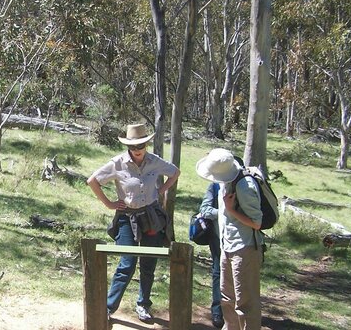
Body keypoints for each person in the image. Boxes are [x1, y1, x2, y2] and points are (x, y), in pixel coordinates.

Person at [87, 123, 180, 322]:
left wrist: (160, 190)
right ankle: (109, 307)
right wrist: (110, 203)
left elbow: (175, 172)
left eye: (141, 146)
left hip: (151, 216)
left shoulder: (155, 161)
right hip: (127, 218)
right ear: (128, 146)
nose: (137, 150)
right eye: (133, 147)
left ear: (146, 144)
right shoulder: (117, 163)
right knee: (127, 263)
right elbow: (92, 181)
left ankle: (143, 305)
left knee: (148, 263)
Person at [195, 148, 263, 330]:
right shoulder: (226, 182)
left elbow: (257, 223)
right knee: (227, 298)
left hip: (245, 248)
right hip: (227, 245)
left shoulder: (245, 185)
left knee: (245, 303)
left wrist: (231, 209)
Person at [198, 182, 224, 328]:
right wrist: (225, 212)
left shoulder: (246, 186)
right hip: (218, 236)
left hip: (243, 240)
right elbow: (205, 210)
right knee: (218, 272)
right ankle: (217, 312)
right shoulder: (214, 186)